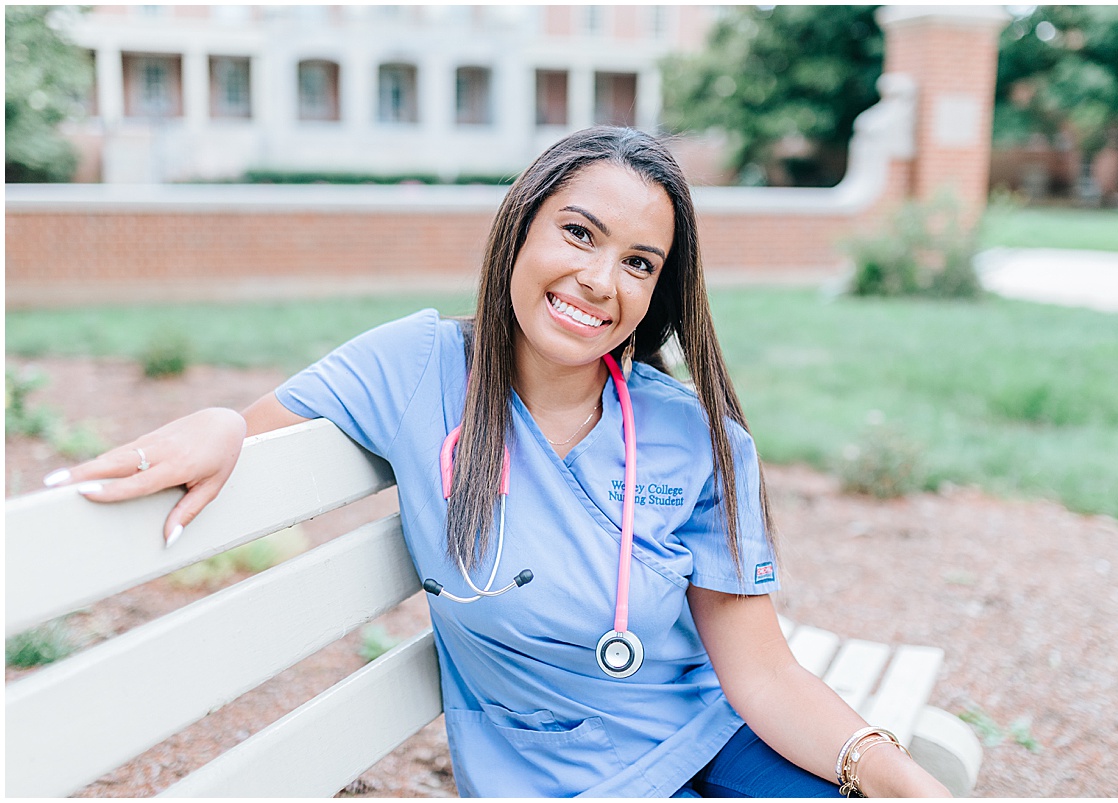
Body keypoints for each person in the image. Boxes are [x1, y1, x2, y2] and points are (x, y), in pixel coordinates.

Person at [47, 127, 951, 798]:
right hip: (556, 778)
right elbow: (260, 431)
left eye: (640, 262)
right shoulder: (414, 369)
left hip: (715, 740)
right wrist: (219, 420)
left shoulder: (699, 439)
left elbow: (760, 674)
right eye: (580, 234)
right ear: (521, 229)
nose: (601, 280)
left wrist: (902, 777)